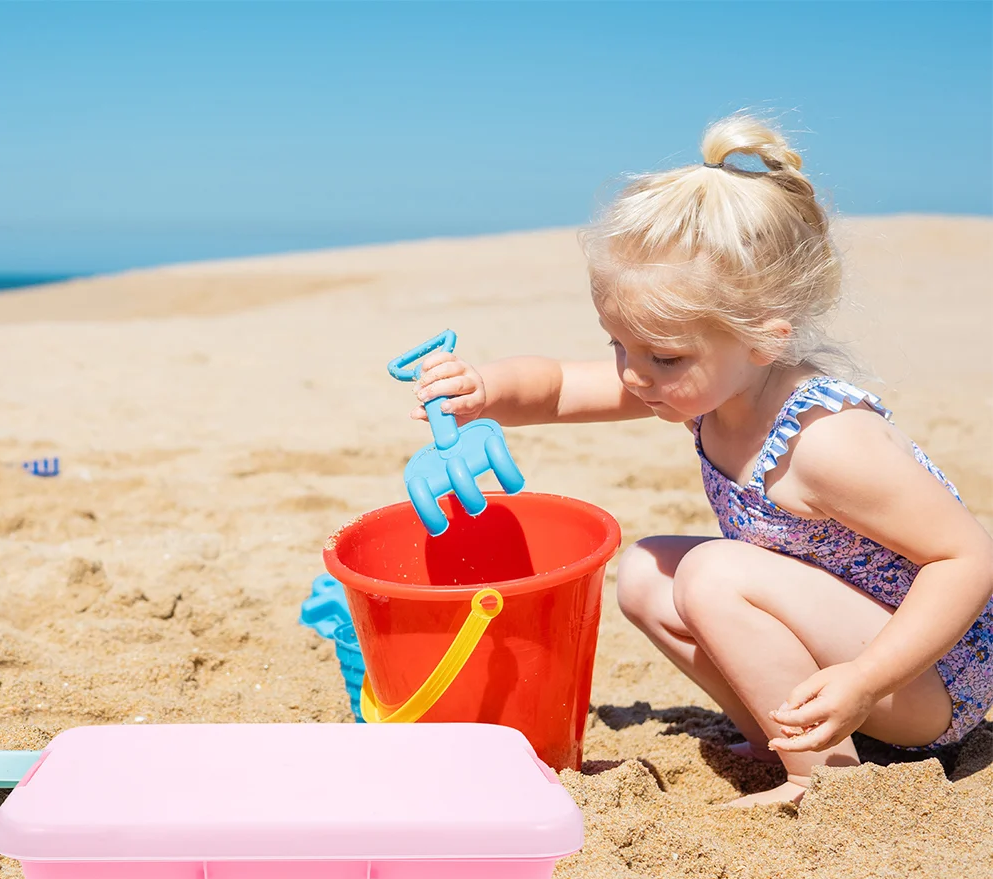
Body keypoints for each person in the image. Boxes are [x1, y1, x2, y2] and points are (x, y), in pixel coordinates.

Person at [407, 113, 993, 807]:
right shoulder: (709, 386)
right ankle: (783, 733)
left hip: (928, 680)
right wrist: (484, 390)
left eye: (662, 356)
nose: (632, 375)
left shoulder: (826, 442)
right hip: (854, 653)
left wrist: (867, 679)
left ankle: (823, 779)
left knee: (713, 573)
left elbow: (967, 559)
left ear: (764, 340)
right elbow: (561, 388)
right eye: (618, 345)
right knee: (647, 575)